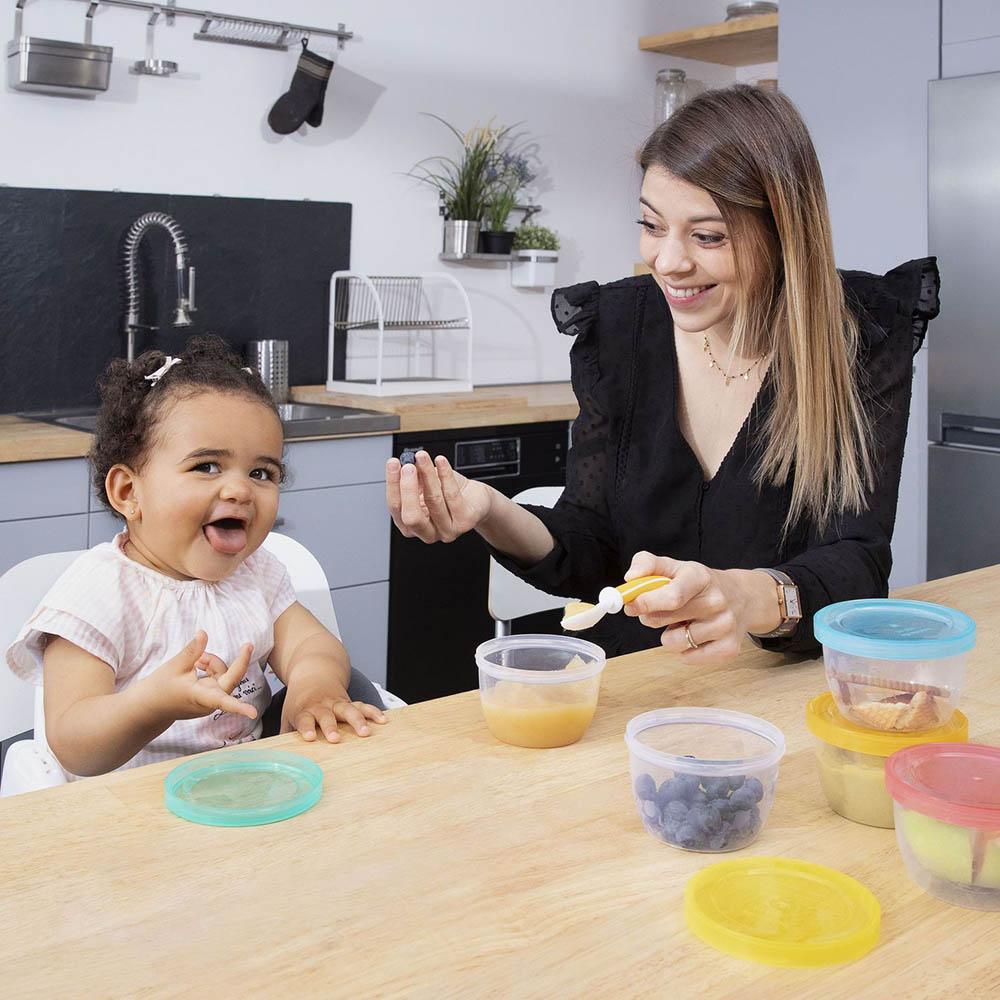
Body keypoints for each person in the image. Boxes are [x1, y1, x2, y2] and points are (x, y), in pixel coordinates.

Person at [385, 85, 940, 661]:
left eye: (708, 236)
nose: (668, 262)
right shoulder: (619, 329)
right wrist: (491, 510)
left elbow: (857, 562)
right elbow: (593, 549)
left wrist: (743, 596)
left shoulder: (861, 334)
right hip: (637, 682)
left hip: (779, 683)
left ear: (782, 233)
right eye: (652, 225)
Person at [6, 337, 387, 779]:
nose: (240, 490)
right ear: (129, 493)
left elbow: (310, 644)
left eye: (261, 473)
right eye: (207, 466)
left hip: (242, 791)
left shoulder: (255, 573)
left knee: (352, 684)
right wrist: (155, 704)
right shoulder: (98, 592)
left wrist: (312, 686)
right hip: (129, 814)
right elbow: (74, 744)